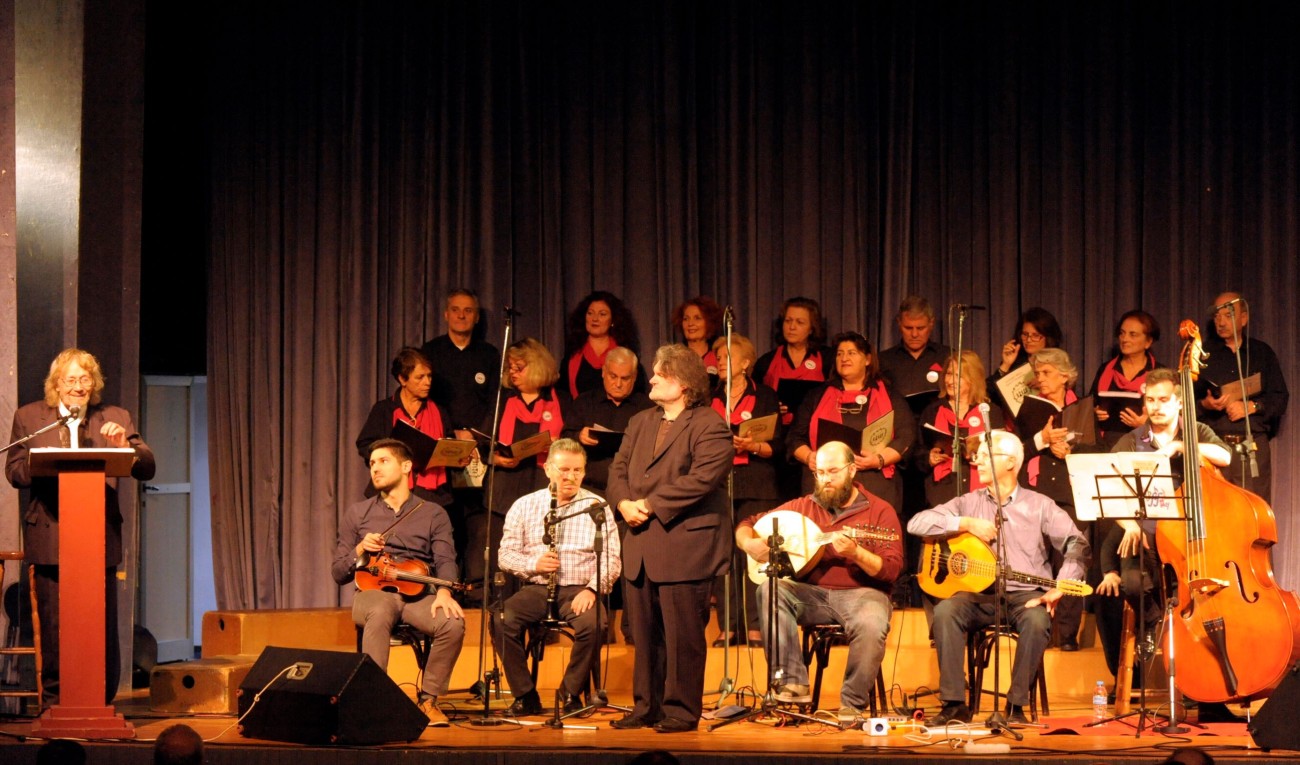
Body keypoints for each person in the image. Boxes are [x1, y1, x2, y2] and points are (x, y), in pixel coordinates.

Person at [5, 348, 157, 706]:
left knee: (99, 626)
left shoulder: (115, 417)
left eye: (85, 379)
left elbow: (147, 466)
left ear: (94, 383)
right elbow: (14, 471)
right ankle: (56, 705)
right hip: (51, 535)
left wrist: (126, 448)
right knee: (55, 627)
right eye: (70, 380)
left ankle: (100, 703)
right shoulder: (30, 417)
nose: (78, 387)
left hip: (98, 538)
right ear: (56, 385)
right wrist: (41, 463)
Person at [907, 430, 1090, 726]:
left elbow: (1076, 543)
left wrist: (1060, 586)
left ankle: (1016, 707)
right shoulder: (968, 502)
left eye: (986, 456)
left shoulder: (1039, 504)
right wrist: (964, 523)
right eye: (978, 456)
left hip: (1025, 596)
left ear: (1010, 463)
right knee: (945, 611)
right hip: (978, 595)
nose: (977, 460)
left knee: (1037, 622)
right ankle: (955, 704)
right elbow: (917, 523)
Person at [606, 345, 733, 732]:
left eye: (660, 374)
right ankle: (647, 707)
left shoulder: (709, 423)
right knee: (644, 635)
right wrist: (624, 503)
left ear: (681, 383)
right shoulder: (641, 420)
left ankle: (680, 711)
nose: (652, 379)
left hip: (684, 545)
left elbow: (702, 479)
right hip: (641, 542)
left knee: (683, 638)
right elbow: (619, 468)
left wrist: (649, 503)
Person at [735, 442, 903, 723]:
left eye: (833, 472)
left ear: (851, 471)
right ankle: (792, 684)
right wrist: (748, 543)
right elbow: (749, 522)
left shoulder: (880, 511)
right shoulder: (803, 507)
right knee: (771, 589)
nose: (825, 479)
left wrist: (857, 553)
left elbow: (891, 569)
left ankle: (852, 705)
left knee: (873, 622)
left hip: (863, 594)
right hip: (811, 594)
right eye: (820, 473)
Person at [1101, 368, 1232, 718]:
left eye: (1163, 400)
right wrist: (1129, 524)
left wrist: (1183, 446)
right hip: (1146, 538)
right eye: (1150, 400)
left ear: (1178, 402)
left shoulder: (1197, 431)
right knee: (1130, 580)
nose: (1155, 407)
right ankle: (1154, 623)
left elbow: (1226, 457)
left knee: (1204, 598)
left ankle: (1207, 688)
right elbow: (1109, 491)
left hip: (1189, 542)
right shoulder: (1132, 440)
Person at [331, 438, 464, 724]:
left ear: (406, 467)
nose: (375, 469)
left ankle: (428, 700)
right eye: (371, 464)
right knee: (379, 611)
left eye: (383, 461)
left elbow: (445, 560)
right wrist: (360, 550)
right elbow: (338, 572)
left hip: (418, 592)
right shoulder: (358, 513)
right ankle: (375, 700)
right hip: (372, 592)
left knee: (451, 623)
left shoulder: (432, 513)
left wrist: (444, 592)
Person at [493, 439, 621, 716]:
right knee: (502, 619)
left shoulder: (596, 506)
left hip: (579, 590)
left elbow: (611, 558)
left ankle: (570, 692)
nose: (571, 477)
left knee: (595, 623)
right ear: (548, 468)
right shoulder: (524, 505)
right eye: (564, 470)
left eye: (577, 470)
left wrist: (592, 589)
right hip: (537, 588)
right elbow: (505, 555)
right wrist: (533, 564)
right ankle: (525, 694)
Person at [468, 338, 565, 590]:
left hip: (540, 485)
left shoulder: (557, 400)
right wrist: (497, 459)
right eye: (510, 367)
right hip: (504, 490)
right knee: (505, 558)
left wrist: (556, 443)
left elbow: (572, 441)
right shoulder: (503, 399)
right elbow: (483, 443)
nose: (513, 372)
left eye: (519, 367)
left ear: (536, 367)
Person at [709, 333, 783, 647]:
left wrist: (753, 445)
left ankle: (755, 625)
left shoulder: (764, 395)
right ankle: (729, 626)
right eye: (718, 357)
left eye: (727, 357)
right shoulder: (709, 397)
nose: (720, 363)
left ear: (745, 364)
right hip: (719, 483)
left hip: (757, 482)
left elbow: (778, 444)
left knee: (754, 554)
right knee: (724, 555)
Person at [1014, 347, 1090, 650]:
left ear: (1064, 376)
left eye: (1046, 373)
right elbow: (1018, 450)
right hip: (1038, 490)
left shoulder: (1083, 408)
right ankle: (1038, 629)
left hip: (1073, 493)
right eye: (1038, 373)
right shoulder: (1029, 409)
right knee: (1036, 560)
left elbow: (1097, 450)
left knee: (1072, 558)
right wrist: (1043, 440)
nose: (1040, 379)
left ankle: (1068, 634)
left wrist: (1071, 451)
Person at [788, 332, 915, 511]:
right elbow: (795, 437)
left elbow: (906, 436)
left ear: (868, 359)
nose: (844, 358)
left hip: (875, 482)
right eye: (840, 353)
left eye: (851, 353)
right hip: (826, 485)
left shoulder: (890, 396)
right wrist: (809, 456)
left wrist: (878, 460)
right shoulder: (816, 396)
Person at [1196, 292, 1289, 503]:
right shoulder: (1202, 354)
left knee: (1254, 511)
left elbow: (1280, 398)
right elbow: (1185, 403)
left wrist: (1252, 406)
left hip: (1252, 448)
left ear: (1243, 319)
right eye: (1217, 316)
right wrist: (1205, 404)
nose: (1220, 322)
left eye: (1227, 315)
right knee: (1216, 511)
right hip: (1214, 446)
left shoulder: (1261, 352)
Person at [355, 348, 463, 507]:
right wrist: (388, 455)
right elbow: (364, 445)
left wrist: (457, 456)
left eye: (429, 376)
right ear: (402, 379)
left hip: (431, 494)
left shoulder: (439, 411)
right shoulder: (384, 410)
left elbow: (449, 444)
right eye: (420, 377)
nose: (427, 382)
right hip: (391, 491)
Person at [560, 346, 654, 493]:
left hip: (631, 489)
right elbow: (564, 439)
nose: (618, 384)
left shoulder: (648, 408)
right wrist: (579, 436)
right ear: (603, 372)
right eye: (613, 376)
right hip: (588, 487)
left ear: (634, 377)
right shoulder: (585, 402)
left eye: (625, 378)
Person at [419, 288, 501, 434]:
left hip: (479, 441)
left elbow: (496, 401)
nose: (461, 316)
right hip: (439, 436)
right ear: (446, 314)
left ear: (477, 317)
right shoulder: (430, 351)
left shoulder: (490, 354)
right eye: (455, 310)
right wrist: (449, 432)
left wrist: (477, 434)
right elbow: (422, 397)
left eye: (468, 310)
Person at [753, 297, 831, 426]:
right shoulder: (766, 361)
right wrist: (770, 407)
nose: (792, 327)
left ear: (812, 328)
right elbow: (754, 400)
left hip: (814, 428)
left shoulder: (827, 358)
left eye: (800, 322)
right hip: (777, 431)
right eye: (788, 321)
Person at [1089, 310, 1160, 448]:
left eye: (1132, 334)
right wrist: (1095, 412)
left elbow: (1172, 415)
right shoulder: (1106, 369)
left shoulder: (1159, 374)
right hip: (1106, 443)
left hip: (1144, 443)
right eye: (1122, 333)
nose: (1124, 339)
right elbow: (1090, 404)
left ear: (1148, 342)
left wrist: (1146, 425)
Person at [560, 291, 644, 402]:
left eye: (602, 314)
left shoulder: (626, 354)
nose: (595, 319)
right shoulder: (572, 355)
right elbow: (563, 394)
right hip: (581, 415)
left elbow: (638, 394)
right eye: (590, 313)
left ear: (613, 320)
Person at [877, 296, 950, 419]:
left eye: (921, 328)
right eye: (908, 328)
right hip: (898, 427)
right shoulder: (883, 359)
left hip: (939, 425)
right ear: (899, 324)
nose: (914, 334)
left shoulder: (947, 356)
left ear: (931, 324)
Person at [987, 307, 1063, 416]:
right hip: (1016, 426)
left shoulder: (1057, 362)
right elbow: (988, 395)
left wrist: (1044, 383)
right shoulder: (1016, 361)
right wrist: (1005, 365)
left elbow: (1067, 397)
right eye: (1025, 334)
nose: (1028, 340)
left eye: (1035, 335)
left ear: (1048, 337)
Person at [671, 296, 724, 386]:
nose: (690, 323)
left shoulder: (718, 356)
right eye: (686, 319)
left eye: (697, 318)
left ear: (709, 322)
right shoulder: (675, 358)